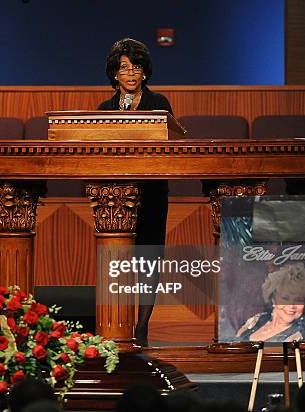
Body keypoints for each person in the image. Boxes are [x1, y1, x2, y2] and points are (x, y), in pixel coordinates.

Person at [97, 38, 173, 345]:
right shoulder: (104, 109)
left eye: (136, 67)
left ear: (145, 73)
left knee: (149, 257)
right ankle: (116, 327)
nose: (130, 73)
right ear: (114, 74)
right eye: (124, 67)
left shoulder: (159, 104)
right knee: (118, 260)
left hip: (151, 192)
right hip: (113, 197)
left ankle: (142, 326)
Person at [236, 263, 305, 342]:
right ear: (273, 299)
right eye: (285, 298)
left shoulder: (304, 336)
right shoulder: (257, 320)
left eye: (298, 300)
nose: (291, 305)